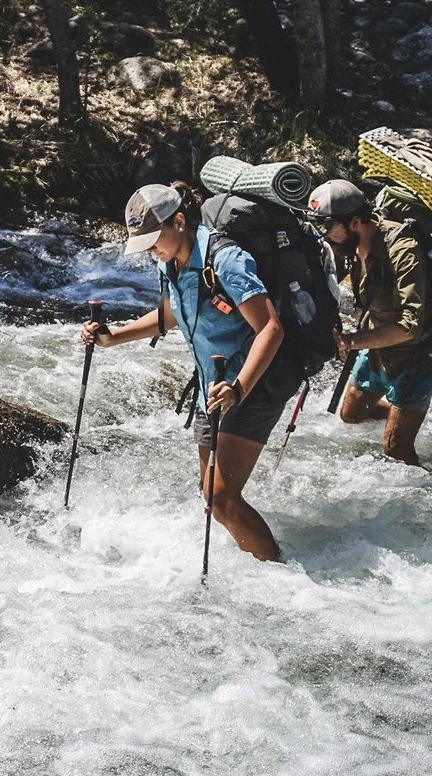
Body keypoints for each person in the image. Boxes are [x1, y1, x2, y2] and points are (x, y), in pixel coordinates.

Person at [81, 181, 292, 562]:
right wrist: (114, 338)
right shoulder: (171, 262)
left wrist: (239, 389)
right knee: (210, 494)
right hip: (211, 387)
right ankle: (254, 563)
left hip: (251, 385)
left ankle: (284, 577)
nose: (150, 252)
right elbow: (171, 314)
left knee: (221, 499)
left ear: (179, 221)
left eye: (152, 241)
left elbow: (270, 329)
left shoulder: (227, 261)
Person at [307, 179, 432, 466]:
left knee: (396, 449)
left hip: (419, 354)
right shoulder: (352, 245)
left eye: (328, 228)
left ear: (356, 222)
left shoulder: (403, 250)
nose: (325, 237)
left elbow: (410, 325)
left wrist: (350, 342)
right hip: (378, 348)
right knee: (351, 415)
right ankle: (407, 415)